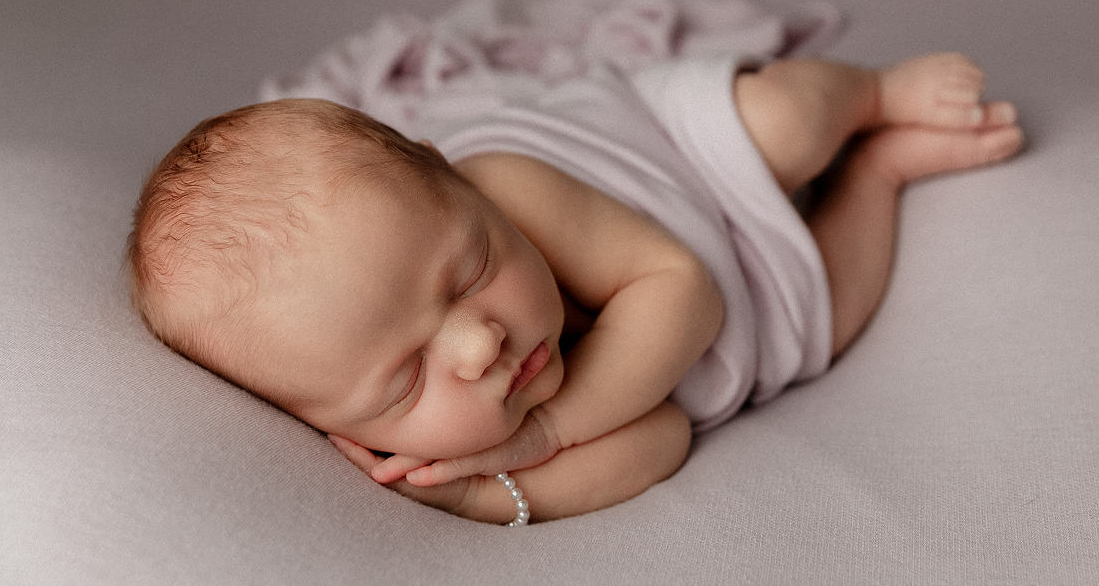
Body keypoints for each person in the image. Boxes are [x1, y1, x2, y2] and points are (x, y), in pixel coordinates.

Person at [128, 51, 1023, 525]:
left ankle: (868, 95)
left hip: (678, 157)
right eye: (407, 379)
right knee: (828, 315)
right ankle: (880, 175)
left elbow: (684, 289)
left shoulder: (508, 186)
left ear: (453, 180)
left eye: (471, 270)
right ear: (333, 427)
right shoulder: (447, 455)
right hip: (753, 302)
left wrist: (547, 432)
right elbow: (665, 433)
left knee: (784, 120)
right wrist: (486, 494)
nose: (480, 344)